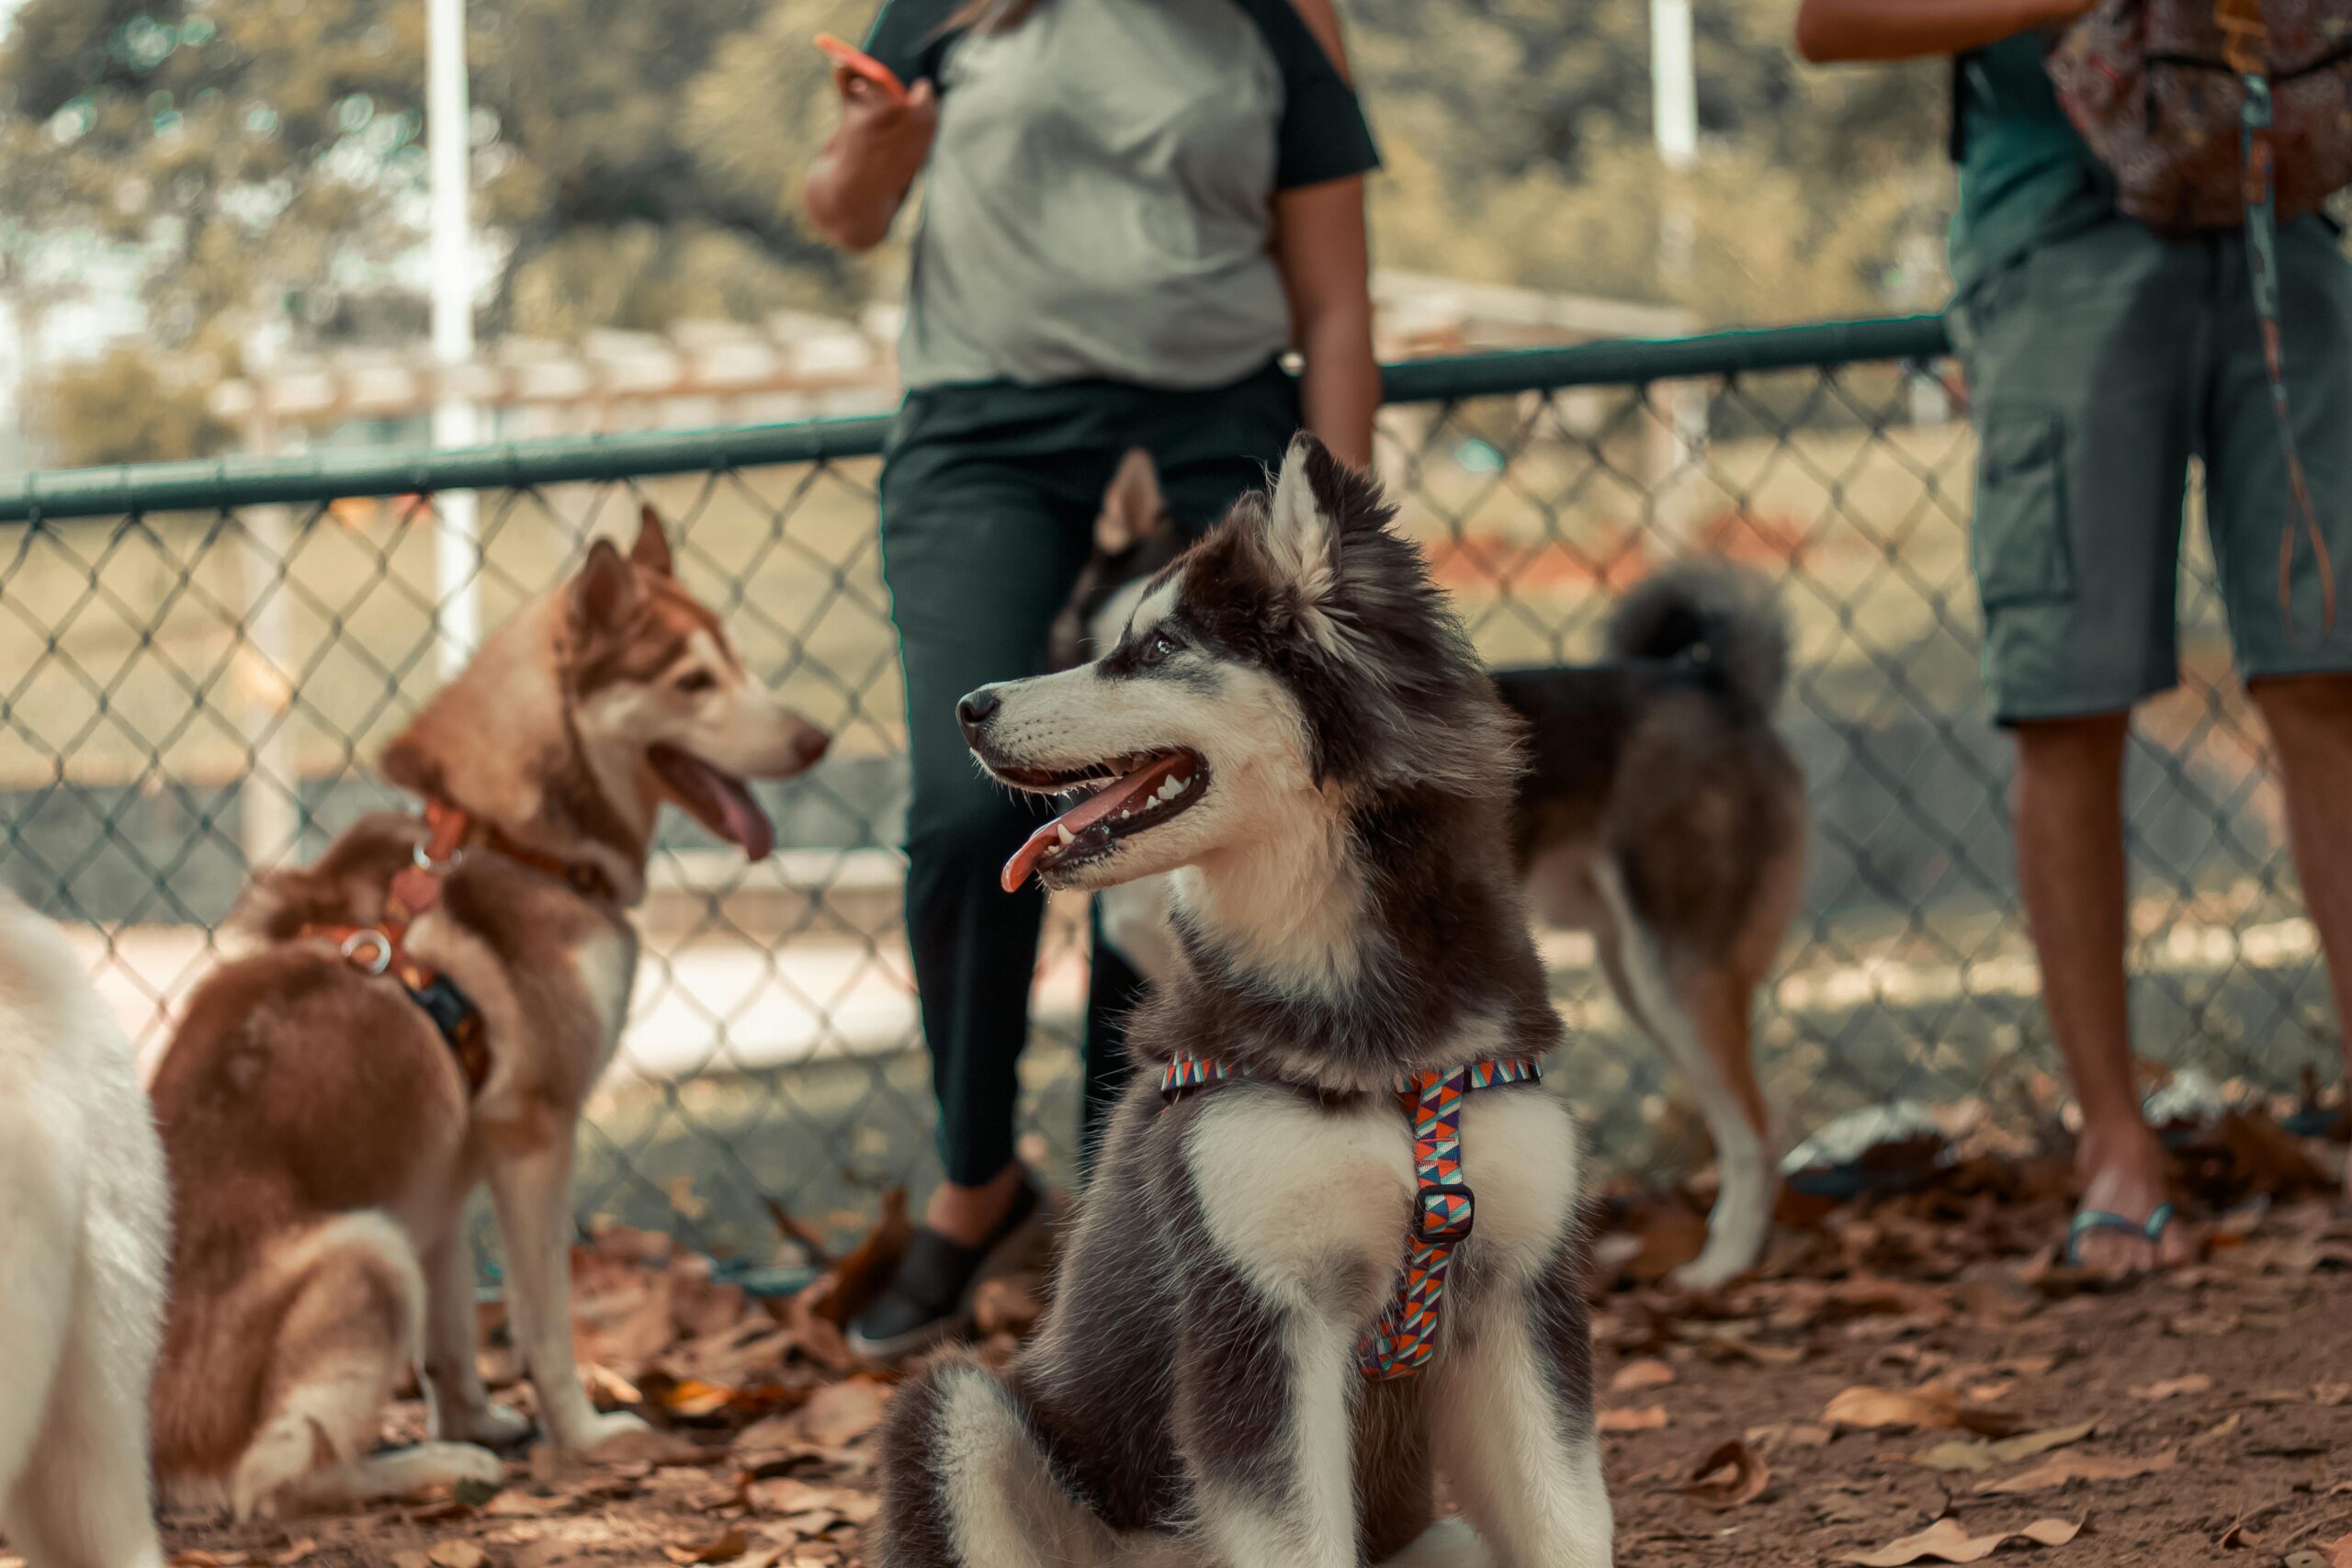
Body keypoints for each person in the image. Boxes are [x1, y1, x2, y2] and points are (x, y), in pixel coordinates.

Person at [803, 0, 1382, 1355]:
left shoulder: (1283, 17)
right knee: (963, 807)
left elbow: (1339, 299)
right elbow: (841, 212)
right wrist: (881, 147)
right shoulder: (955, 7)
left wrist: (1330, 535)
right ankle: (976, 1187)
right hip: (987, 435)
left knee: (1191, 803)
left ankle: (1137, 1192)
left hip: (1212, 418)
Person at [1795, 0, 2352, 1270]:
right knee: (2069, 696)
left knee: (2329, 677)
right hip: (2059, 241)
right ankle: (2115, 1143)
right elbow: (1827, 25)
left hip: (2280, 217)